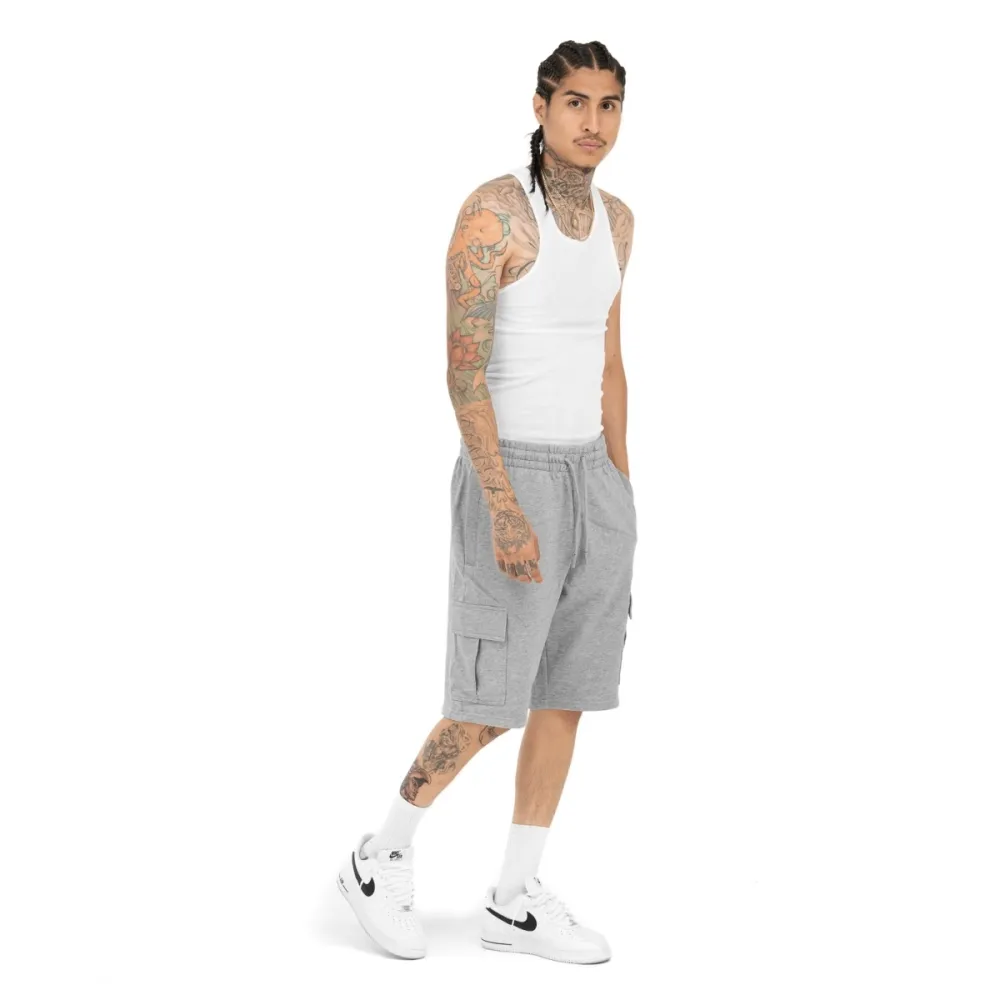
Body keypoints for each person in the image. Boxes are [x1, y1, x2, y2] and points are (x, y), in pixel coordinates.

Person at [338, 39, 636, 965]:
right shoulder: (494, 215)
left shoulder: (621, 222)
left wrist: (623, 495)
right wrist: (503, 505)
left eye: (610, 104)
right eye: (576, 102)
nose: (593, 122)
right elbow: (464, 373)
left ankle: (514, 898)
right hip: (514, 473)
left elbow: (609, 360)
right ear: (541, 108)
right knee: (489, 699)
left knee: (567, 694)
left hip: (594, 479)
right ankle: (380, 853)